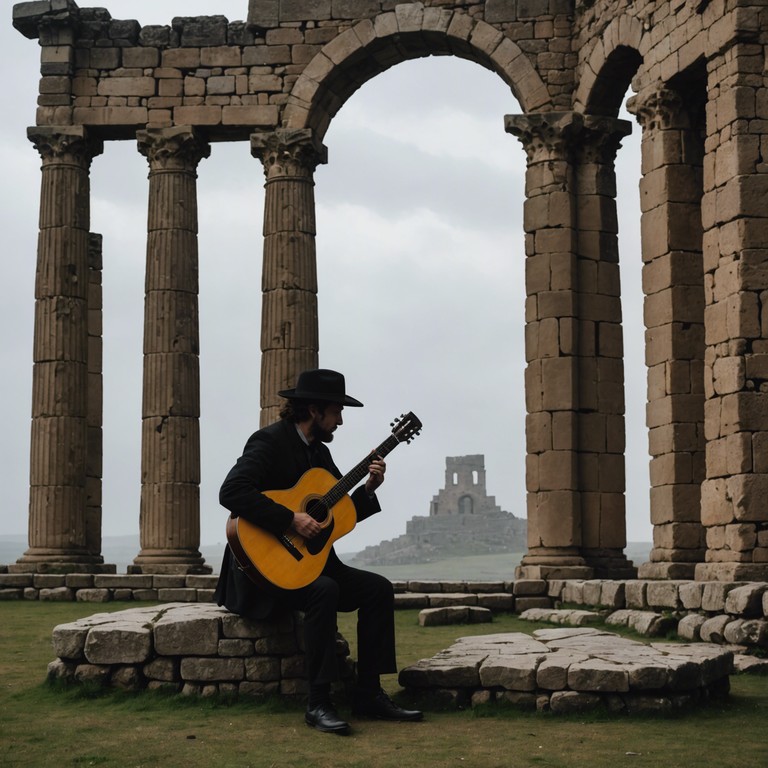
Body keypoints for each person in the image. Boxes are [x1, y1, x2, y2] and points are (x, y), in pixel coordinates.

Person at [213, 368, 422, 734]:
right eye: (336, 411)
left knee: (377, 588)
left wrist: (370, 487)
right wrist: (289, 520)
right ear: (312, 410)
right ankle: (318, 703)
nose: (340, 420)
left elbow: (338, 514)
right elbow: (230, 493)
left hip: (311, 562)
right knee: (325, 590)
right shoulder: (267, 442)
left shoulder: (321, 454)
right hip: (264, 570)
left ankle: (369, 693)